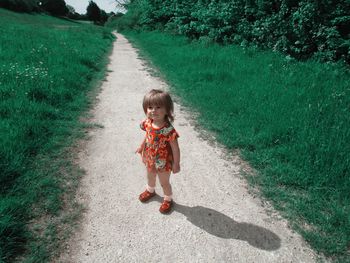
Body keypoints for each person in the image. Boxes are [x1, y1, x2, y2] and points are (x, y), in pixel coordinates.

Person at [136, 89, 180, 214]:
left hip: (164, 162)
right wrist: (141, 146)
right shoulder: (148, 123)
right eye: (150, 107)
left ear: (167, 110)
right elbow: (148, 136)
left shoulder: (168, 130)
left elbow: (175, 148)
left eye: (158, 107)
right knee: (150, 176)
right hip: (150, 157)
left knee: (164, 182)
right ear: (146, 109)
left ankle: (168, 199)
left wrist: (176, 164)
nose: (153, 110)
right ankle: (150, 190)